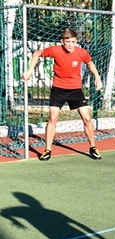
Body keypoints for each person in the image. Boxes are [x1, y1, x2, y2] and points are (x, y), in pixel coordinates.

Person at [22, 28, 103, 161]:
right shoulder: (55, 50)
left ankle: (93, 147)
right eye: (68, 42)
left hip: (76, 90)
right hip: (58, 89)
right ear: (62, 41)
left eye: (73, 41)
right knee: (53, 118)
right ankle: (47, 150)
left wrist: (97, 77)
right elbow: (37, 53)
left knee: (87, 118)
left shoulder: (81, 52)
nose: (71, 44)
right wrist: (30, 71)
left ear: (76, 41)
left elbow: (90, 63)